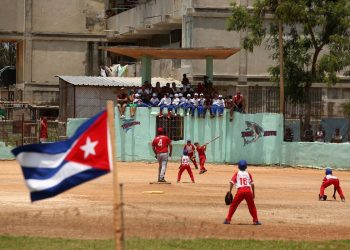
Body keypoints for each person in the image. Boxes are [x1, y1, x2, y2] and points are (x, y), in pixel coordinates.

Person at [223, 160, 262, 225]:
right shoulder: (248, 173)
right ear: (246, 166)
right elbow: (252, 184)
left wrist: (230, 192)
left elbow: (232, 183)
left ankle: (228, 219)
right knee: (252, 206)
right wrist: (253, 193)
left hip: (240, 191)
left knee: (233, 205)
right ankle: (255, 220)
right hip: (248, 191)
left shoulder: (237, 173)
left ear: (238, 166)